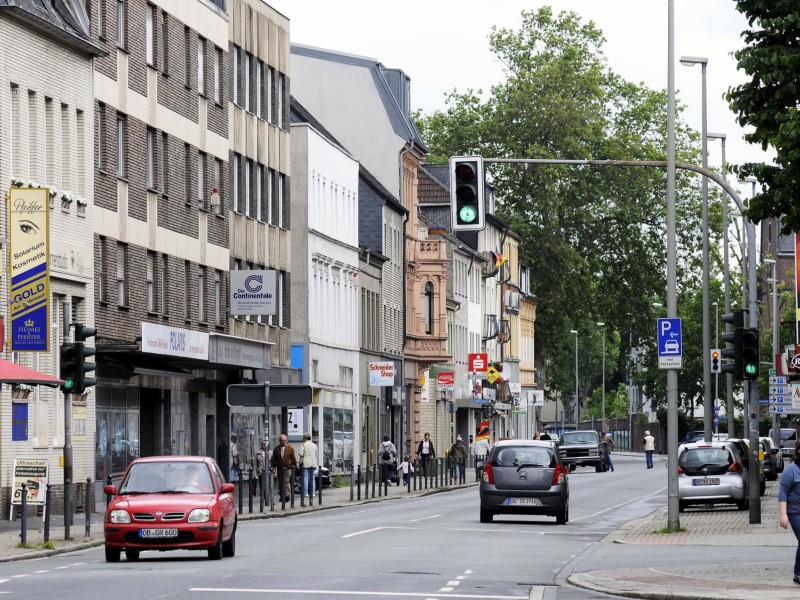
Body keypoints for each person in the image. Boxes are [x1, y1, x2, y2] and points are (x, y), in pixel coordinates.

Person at [779, 439, 800, 585]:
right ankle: (798, 573)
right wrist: (783, 514)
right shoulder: (791, 470)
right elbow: (783, 492)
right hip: (795, 512)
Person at [270, 434, 297, 501]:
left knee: (286, 481)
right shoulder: (276, 448)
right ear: (280, 441)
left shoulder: (290, 448)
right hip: (280, 467)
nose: (283, 442)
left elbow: (293, 457)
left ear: (286, 440)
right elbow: (274, 459)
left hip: (288, 468)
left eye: (285, 440)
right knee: (281, 482)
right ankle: (282, 496)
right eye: (282, 440)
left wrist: (294, 464)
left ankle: (287, 495)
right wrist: (273, 466)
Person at [297, 432, 319, 499]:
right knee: (312, 478)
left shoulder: (303, 445)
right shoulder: (314, 445)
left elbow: (301, 454)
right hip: (313, 462)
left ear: (305, 438)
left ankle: (306, 493)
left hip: (306, 462)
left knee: (305, 478)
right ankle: (313, 493)